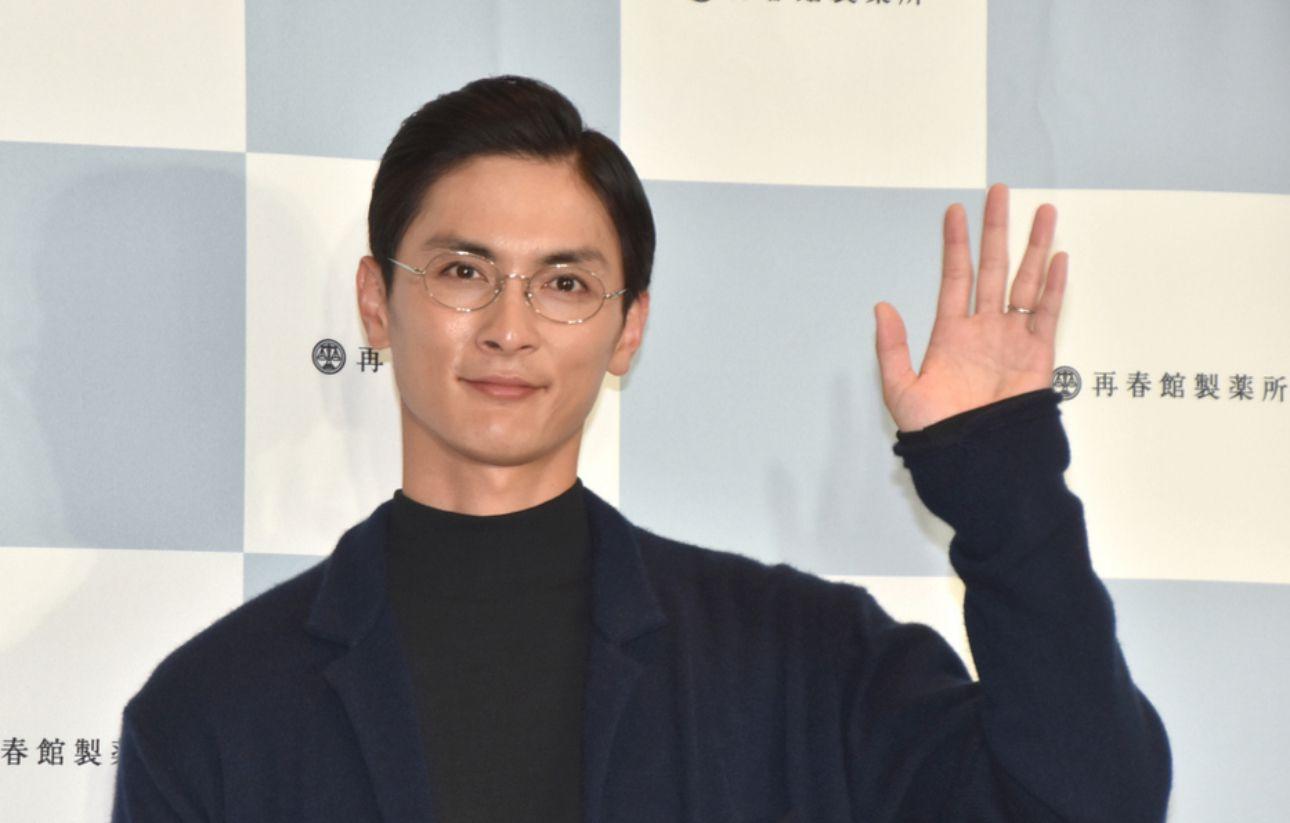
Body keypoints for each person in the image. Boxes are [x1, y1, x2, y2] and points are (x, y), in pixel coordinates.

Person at [111, 75, 1172, 822]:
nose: (509, 327)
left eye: (564, 282)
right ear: (376, 303)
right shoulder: (213, 710)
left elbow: (1088, 803)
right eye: (464, 272)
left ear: (628, 330)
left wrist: (1003, 482)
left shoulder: (802, 661)